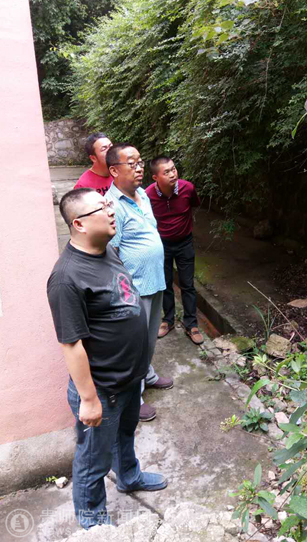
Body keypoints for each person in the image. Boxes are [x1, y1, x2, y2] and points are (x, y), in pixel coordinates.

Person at [47, 188, 167, 530]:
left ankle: (129, 476)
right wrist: (88, 399)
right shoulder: (66, 278)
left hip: (129, 377)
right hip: (102, 388)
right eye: (102, 207)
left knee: (125, 435)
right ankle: (94, 522)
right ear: (80, 224)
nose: (111, 210)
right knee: (92, 460)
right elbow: (71, 344)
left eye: (109, 203)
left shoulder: (108, 251)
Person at [105, 144, 173, 422]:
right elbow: (112, 253)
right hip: (135, 288)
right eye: (131, 164)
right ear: (114, 170)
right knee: (133, 344)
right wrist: (124, 292)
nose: (139, 168)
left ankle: (147, 374)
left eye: (140, 162)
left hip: (154, 280)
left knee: (149, 337)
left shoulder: (142, 194)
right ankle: (134, 398)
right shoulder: (112, 206)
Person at [146, 156, 203, 345]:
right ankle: (168, 320)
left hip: (184, 243)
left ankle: (191, 324)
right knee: (164, 284)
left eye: (174, 169)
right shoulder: (147, 195)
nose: (173, 174)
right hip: (161, 245)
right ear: (155, 177)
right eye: (167, 172)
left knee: (187, 284)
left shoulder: (188, 188)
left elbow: (194, 204)